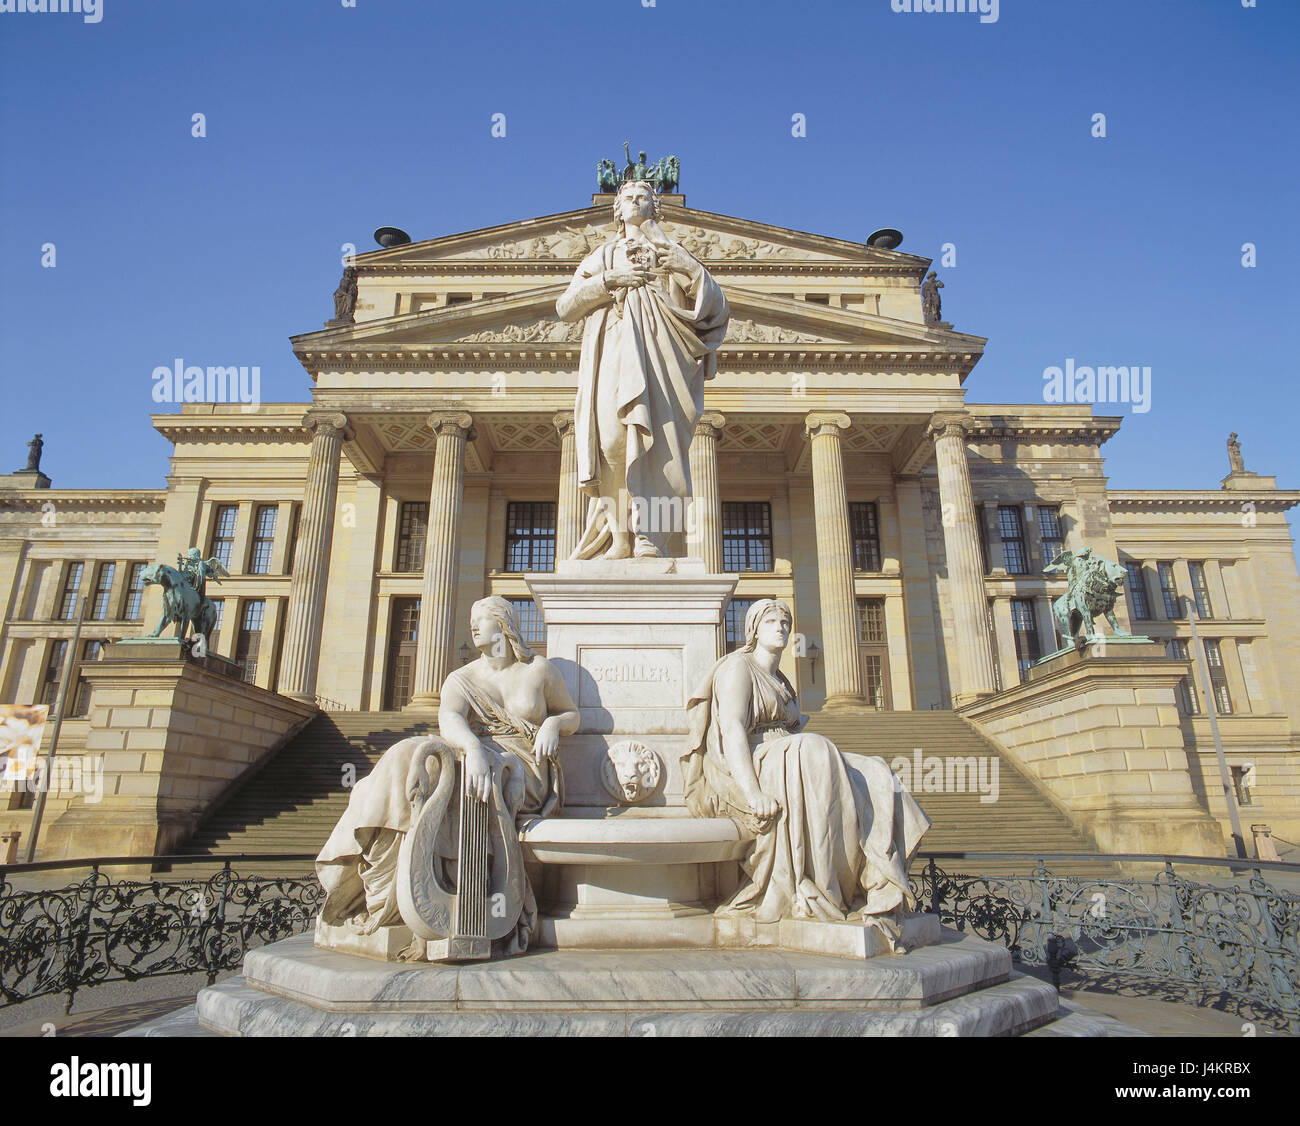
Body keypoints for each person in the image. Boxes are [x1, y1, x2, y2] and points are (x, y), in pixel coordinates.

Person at [316, 597, 579, 952]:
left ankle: (464, 900)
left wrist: (553, 723)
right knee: (409, 756)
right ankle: (383, 875)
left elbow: (572, 716)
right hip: (476, 753)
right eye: (471, 620)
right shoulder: (462, 678)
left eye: (480, 620)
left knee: (478, 776)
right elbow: (450, 718)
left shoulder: (539, 670)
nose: (473, 627)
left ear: (503, 624)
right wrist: (471, 748)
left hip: (525, 766)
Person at [681, 599, 930, 948]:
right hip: (752, 762)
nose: (781, 627)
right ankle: (823, 887)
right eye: (771, 621)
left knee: (875, 770)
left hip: (789, 756)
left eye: (785, 621)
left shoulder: (780, 680)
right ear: (753, 628)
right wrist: (753, 793)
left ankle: (874, 880)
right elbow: (732, 731)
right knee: (815, 748)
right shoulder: (738, 667)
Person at [557, 180, 729, 559]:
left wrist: (687, 268)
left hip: (663, 360)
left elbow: (716, 308)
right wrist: (608, 282)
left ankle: (649, 534)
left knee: (660, 450)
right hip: (614, 354)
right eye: (628, 198)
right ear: (617, 209)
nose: (635, 202)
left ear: (655, 207)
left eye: (643, 197)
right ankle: (619, 536)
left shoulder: (674, 252)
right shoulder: (602, 256)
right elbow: (566, 307)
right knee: (612, 443)